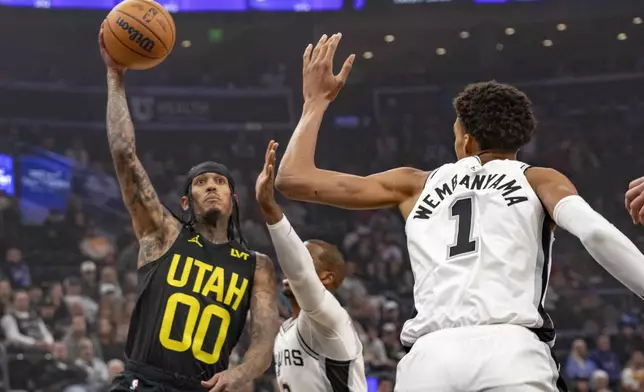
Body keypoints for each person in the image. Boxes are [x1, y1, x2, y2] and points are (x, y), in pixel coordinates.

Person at [276, 33, 644, 391]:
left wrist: (315, 103)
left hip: (429, 359)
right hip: (511, 352)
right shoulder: (540, 179)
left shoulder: (413, 184)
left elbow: (292, 178)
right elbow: (595, 233)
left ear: (466, 139)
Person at [98, 23, 279, 392]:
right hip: (143, 382)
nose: (211, 186)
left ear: (233, 199)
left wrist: (240, 373)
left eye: (220, 182)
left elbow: (263, 342)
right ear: (186, 201)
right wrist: (115, 76)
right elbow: (124, 155)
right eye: (200, 182)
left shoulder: (256, 266)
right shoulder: (162, 233)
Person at [256, 140, 367, 392]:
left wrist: (271, 210)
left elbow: (301, 275)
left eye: (305, 258)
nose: (291, 264)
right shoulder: (285, 331)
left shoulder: (330, 318)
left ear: (327, 277)